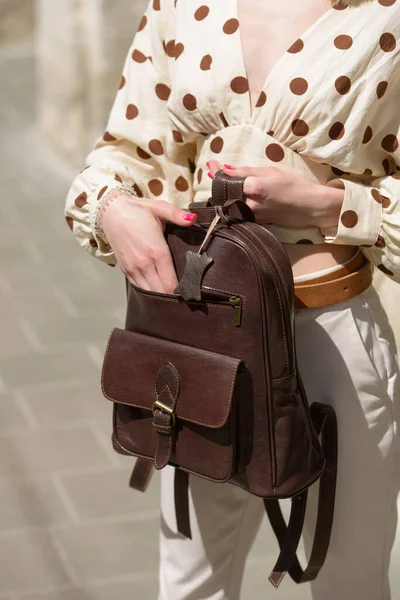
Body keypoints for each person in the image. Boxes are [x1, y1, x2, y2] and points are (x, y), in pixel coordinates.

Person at [64, 0, 400, 598]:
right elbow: (127, 151)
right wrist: (113, 209)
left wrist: (329, 206)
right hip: (205, 334)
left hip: (336, 338)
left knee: (351, 583)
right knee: (191, 585)